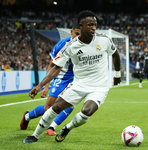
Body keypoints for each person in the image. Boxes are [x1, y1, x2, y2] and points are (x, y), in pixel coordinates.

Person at [22, 10, 121, 143]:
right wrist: (40, 86)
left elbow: (115, 54)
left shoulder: (104, 40)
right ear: (81, 26)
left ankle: (67, 128)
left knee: (87, 111)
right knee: (54, 108)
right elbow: (56, 68)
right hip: (78, 85)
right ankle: (35, 135)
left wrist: (117, 74)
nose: (93, 28)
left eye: (95, 24)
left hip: (99, 87)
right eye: (90, 24)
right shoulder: (70, 46)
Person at [20, 22, 81, 135]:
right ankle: (27, 116)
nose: (79, 37)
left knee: (71, 102)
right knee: (48, 108)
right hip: (61, 78)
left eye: (81, 35)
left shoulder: (86, 44)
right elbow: (51, 66)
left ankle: (52, 127)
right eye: (77, 34)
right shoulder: (62, 45)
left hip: (76, 79)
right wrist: (46, 86)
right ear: (71, 32)